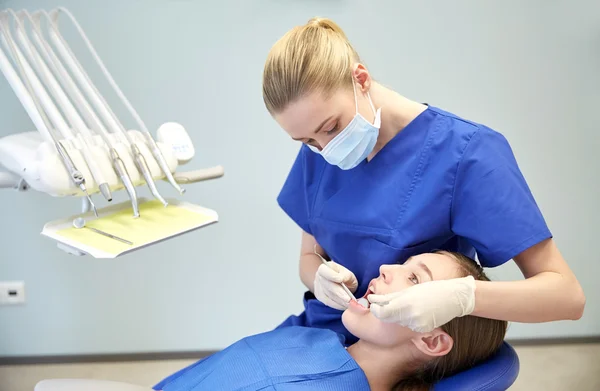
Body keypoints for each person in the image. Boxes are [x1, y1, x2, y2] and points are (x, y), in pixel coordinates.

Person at [262, 17, 585, 344]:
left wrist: (462, 296)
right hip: (319, 333)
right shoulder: (320, 151)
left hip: (397, 349)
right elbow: (309, 256)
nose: (325, 148)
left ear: (360, 79)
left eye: (331, 128)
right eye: (306, 141)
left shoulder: (467, 155)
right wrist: (318, 277)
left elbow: (566, 296)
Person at [154, 252, 507, 391]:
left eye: (415, 279)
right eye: (405, 264)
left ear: (431, 341)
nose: (387, 268)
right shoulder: (319, 339)